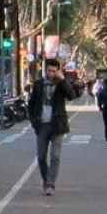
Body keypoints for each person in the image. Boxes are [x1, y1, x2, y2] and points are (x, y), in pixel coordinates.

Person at [29, 59, 81, 196]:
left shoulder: (61, 84)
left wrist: (63, 80)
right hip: (42, 125)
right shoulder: (38, 84)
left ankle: (50, 184)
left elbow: (72, 96)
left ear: (58, 71)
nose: (51, 73)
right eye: (49, 70)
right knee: (41, 157)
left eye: (54, 71)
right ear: (45, 70)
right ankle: (46, 180)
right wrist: (34, 122)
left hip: (57, 125)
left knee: (55, 156)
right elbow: (32, 103)